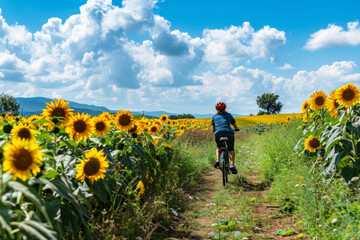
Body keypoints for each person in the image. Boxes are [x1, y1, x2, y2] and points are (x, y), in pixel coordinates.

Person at [211, 102, 239, 174]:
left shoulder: (214, 117)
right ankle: (232, 165)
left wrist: (215, 130)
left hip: (218, 134)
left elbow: (213, 129)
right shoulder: (228, 115)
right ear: (225, 108)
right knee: (231, 149)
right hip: (229, 133)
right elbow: (234, 124)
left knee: (219, 147)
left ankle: (218, 160)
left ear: (216, 109)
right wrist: (236, 128)